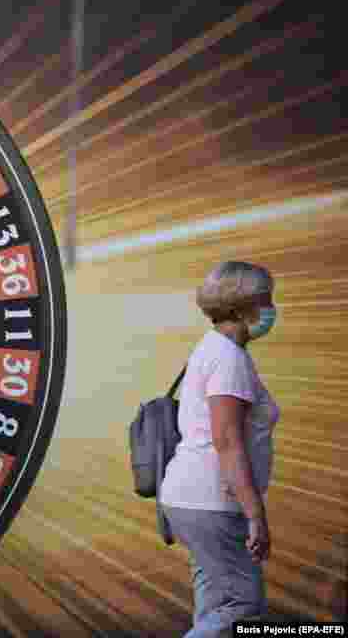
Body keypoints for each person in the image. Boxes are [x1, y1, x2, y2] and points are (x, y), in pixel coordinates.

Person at [160, 261, 280, 637]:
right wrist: (255, 513)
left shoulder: (210, 349)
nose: (270, 309)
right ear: (242, 307)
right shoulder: (230, 359)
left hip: (192, 498)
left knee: (216, 603)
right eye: (265, 300)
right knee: (243, 606)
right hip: (214, 500)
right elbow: (227, 441)